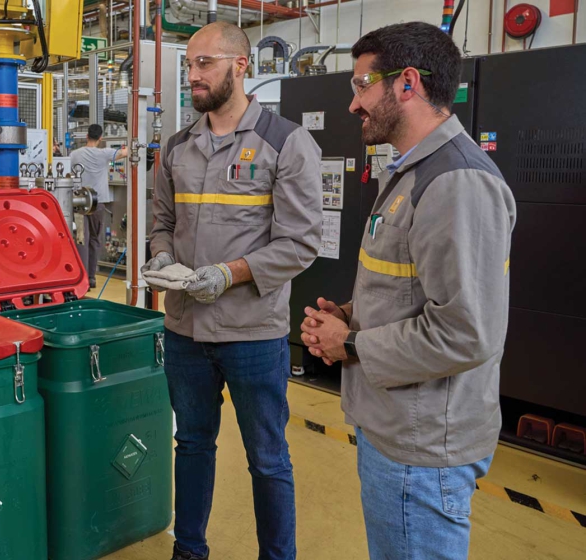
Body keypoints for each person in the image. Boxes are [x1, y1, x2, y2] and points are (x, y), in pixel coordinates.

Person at [300, 22, 516, 560]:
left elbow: (467, 331)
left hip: (422, 447)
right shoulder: (413, 171)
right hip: (395, 427)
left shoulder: (455, 181)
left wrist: (349, 345)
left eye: (361, 84)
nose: (353, 104)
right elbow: (413, 287)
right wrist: (349, 314)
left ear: (407, 83)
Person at [145, 21, 322, 560]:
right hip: (184, 330)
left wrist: (228, 273)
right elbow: (162, 221)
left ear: (240, 66)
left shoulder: (285, 142)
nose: (193, 74)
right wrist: (161, 256)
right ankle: (190, 550)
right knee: (192, 445)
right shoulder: (177, 147)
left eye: (205, 63)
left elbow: (301, 242)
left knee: (267, 457)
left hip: (252, 333)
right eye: (190, 64)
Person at [70, 123, 127, 289]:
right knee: (95, 240)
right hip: (98, 203)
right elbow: (125, 152)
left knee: (82, 240)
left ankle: (81, 278)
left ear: (87, 136)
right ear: (101, 138)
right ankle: (92, 277)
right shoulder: (105, 154)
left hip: (79, 202)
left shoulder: (74, 154)